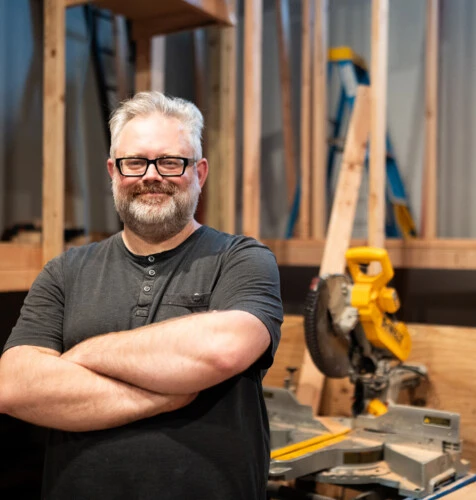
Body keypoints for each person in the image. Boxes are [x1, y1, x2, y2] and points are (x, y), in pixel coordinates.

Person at [0, 91, 283, 500]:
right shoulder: (65, 272)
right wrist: (171, 391)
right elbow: (13, 385)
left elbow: (222, 350)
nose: (152, 175)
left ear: (199, 172)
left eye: (171, 161)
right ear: (113, 172)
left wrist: (81, 357)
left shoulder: (241, 259)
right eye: (135, 162)